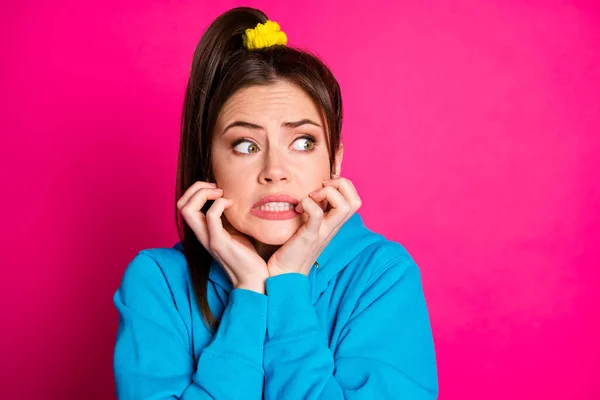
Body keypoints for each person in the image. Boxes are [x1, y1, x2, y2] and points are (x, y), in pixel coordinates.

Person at [113, 6, 438, 399]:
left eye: (302, 142)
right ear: (209, 164)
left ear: (334, 159)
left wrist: (288, 283)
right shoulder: (157, 282)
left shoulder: (380, 275)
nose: (274, 171)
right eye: (245, 145)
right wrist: (249, 293)